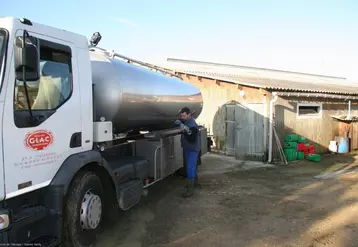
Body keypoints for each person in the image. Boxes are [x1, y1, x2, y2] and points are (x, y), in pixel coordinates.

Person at [174, 107, 201, 197]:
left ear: (189, 115)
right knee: (190, 167)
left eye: (184, 116)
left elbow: (191, 137)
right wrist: (181, 123)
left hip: (192, 149)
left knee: (190, 168)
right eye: (181, 116)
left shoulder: (192, 124)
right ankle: (193, 184)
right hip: (187, 148)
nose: (182, 117)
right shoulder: (187, 121)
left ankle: (190, 190)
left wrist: (183, 127)